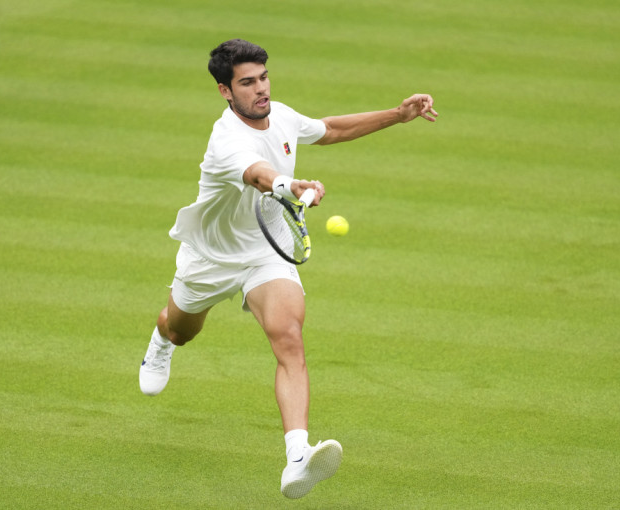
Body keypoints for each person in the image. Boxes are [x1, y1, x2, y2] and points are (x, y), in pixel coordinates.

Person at [139, 38, 437, 499]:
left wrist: (397, 115)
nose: (260, 88)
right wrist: (292, 187)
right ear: (225, 91)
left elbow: (329, 129)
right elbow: (260, 175)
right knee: (180, 330)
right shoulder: (226, 139)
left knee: (289, 338)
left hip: (267, 249)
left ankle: (297, 457)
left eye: (263, 77)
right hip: (211, 256)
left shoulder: (280, 114)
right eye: (247, 82)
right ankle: (161, 342)